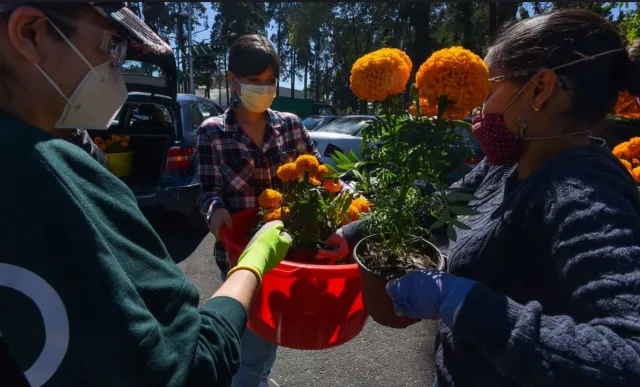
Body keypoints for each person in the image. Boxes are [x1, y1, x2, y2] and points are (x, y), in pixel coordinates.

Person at [320, 9, 640, 387]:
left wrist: (462, 302)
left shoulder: (583, 193)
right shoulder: (507, 162)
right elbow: (439, 210)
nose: (477, 111)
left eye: (489, 90)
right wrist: (354, 231)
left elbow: (627, 358)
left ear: (540, 89)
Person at [0, 3, 292, 386]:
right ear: (31, 34)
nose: (117, 68)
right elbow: (186, 364)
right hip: (238, 257)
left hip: (283, 260)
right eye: (112, 47)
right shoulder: (43, 176)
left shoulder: (69, 148)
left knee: (266, 343)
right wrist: (251, 261)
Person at [197, 34, 322, 387]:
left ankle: (258, 377)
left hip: (288, 256)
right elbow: (208, 191)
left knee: (270, 334)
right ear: (231, 79)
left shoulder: (291, 126)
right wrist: (214, 210)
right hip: (240, 259)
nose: (264, 89)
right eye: (254, 81)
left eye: (270, 81)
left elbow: (319, 176)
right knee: (250, 347)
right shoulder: (213, 133)